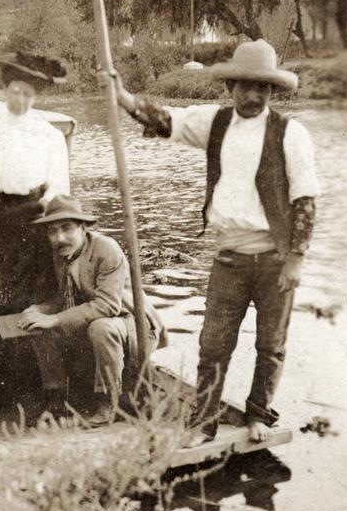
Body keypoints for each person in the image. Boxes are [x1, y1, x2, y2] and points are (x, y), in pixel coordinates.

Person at [109, 39, 319, 444]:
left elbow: (306, 200)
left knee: (271, 344)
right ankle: (202, 423)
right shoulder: (215, 123)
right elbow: (166, 119)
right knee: (213, 345)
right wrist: (122, 97)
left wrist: (296, 258)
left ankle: (259, 415)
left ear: (272, 92)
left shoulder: (291, 134)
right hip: (229, 258)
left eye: (261, 88)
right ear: (230, 88)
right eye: (244, 86)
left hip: (276, 257)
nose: (252, 95)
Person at [0, 79, 71, 402]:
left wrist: (52, 227)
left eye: (28, 93)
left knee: (40, 296)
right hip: (2, 221)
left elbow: (58, 184)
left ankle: (47, 388)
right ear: (4, 90)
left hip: (39, 220)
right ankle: (5, 390)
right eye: (14, 91)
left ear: (36, 96)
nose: (20, 99)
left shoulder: (49, 135)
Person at [17, 195, 167, 423]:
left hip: (133, 325)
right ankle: (56, 399)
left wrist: (55, 319)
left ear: (83, 227)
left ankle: (109, 402)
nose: (59, 238)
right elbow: (67, 295)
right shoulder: (63, 253)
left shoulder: (106, 249)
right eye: (52, 231)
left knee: (101, 328)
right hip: (99, 323)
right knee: (37, 325)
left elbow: (107, 305)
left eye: (66, 228)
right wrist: (41, 310)